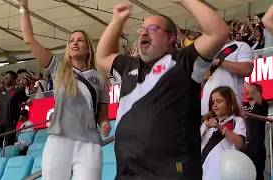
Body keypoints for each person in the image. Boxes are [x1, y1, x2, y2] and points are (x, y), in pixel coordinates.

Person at [96, 0, 229, 179]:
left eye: (152, 28)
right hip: (127, 174)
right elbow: (102, 57)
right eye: (142, 29)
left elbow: (219, 32)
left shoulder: (185, 61)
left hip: (172, 173)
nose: (143, 32)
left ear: (171, 37)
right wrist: (117, 21)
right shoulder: (129, 65)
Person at [19, 0, 111, 179]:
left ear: (88, 48)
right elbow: (29, 40)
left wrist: (105, 123)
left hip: (89, 145)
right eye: (71, 41)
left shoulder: (100, 77)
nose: (75, 43)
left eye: (80, 40)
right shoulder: (58, 69)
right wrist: (23, 7)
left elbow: (103, 115)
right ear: (68, 48)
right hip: (58, 141)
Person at [201, 86, 246, 180]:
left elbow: (240, 143)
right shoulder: (207, 122)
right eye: (212, 102)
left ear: (229, 103)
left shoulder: (237, 121)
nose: (215, 105)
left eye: (219, 101)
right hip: (204, 170)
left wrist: (219, 127)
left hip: (223, 173)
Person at [201, 37, 254, 116]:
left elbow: (247, 69)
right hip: (206, 110)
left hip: (229, 108)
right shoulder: (208, 52)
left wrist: (220, 62)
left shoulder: (240, 46)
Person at [0, 70, 30, 148]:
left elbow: (29, 102)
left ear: (13, 79)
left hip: (11, 122)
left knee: (9, 145)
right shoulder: (0, 89)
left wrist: (22, 103)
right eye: (5, 78)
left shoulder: (18, 90)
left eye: (7, 78)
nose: (5, 79)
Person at [243, 82, 269, 180]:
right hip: (244, 145)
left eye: (251, 89)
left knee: (256, 174)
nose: (247, 91)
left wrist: (241, 78)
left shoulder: (262, 105)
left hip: (257, 147)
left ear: (258, 93)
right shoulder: (243, 105)